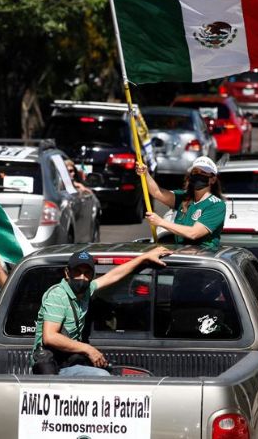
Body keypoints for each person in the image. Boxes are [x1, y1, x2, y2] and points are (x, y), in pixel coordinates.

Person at [31, 246, 172, 376]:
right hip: (54, 367)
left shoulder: (87, 290)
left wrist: (144, 257)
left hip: (68, 360)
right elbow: (50, 337)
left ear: (92, 275)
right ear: (67, 273)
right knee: (102, 377)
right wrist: (88, 349)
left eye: (87, 273)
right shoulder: (58, 295)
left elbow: (113, 275)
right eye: (77, 272)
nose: (82, 277)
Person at [135, 156, 226, 251]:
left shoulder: (217, 205)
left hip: (203, 259)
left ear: (213, 179)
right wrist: (146, 174)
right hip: (180, 254)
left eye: (203, 172)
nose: (198, 175)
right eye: (195, 172)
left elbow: (194, 233)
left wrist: (161, 222)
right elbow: (157, 193)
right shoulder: (184, 197)